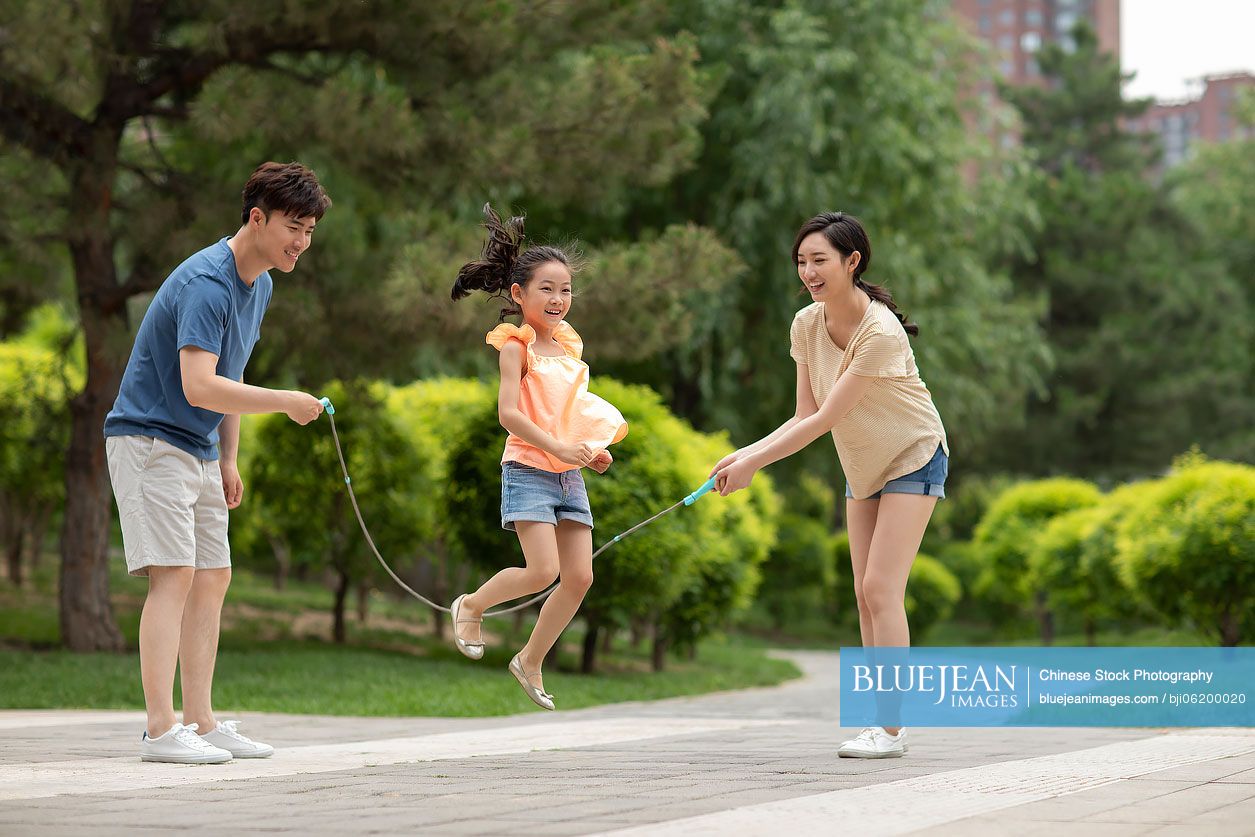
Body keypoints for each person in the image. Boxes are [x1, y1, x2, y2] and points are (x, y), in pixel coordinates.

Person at [104, 162, 330, 763]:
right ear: (256, 218)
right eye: (293, 227)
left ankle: (202, 725)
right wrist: (284, 404)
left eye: (309, 230)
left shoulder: (261, 285)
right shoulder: (207, 281)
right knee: (173, 576)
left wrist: (229, 455)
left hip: (199, 447)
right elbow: (200, 384)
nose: (301, 242)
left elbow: (229, 378)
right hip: (150, 440)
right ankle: (160, 730)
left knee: (213, 577)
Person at [712, 211, 948, 758]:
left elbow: (822, 422)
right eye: (801, 261)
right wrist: (744, 453)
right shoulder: (806, 323)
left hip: (913, 454)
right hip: (862, 463)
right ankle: (877, 722)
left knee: (880, 589)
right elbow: (803, 411)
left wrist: (755, 467)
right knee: (864, 596)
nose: (809, 271)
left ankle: (891, 729)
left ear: (852, 261)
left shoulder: (880, 331)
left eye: (819, 260)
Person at [447, 205, 627, 710]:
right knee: (542, 569)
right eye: (546, 288)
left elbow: (569, 413)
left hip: (569, 473)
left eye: (565, 289)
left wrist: (589, 451)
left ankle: (530, 660)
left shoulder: (570, 350)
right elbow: (510, 415)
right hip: (528, 467)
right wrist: (558, 448)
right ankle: (472, 604)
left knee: (581, 577)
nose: (558, 298)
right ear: (519, 294)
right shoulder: (515, 346)